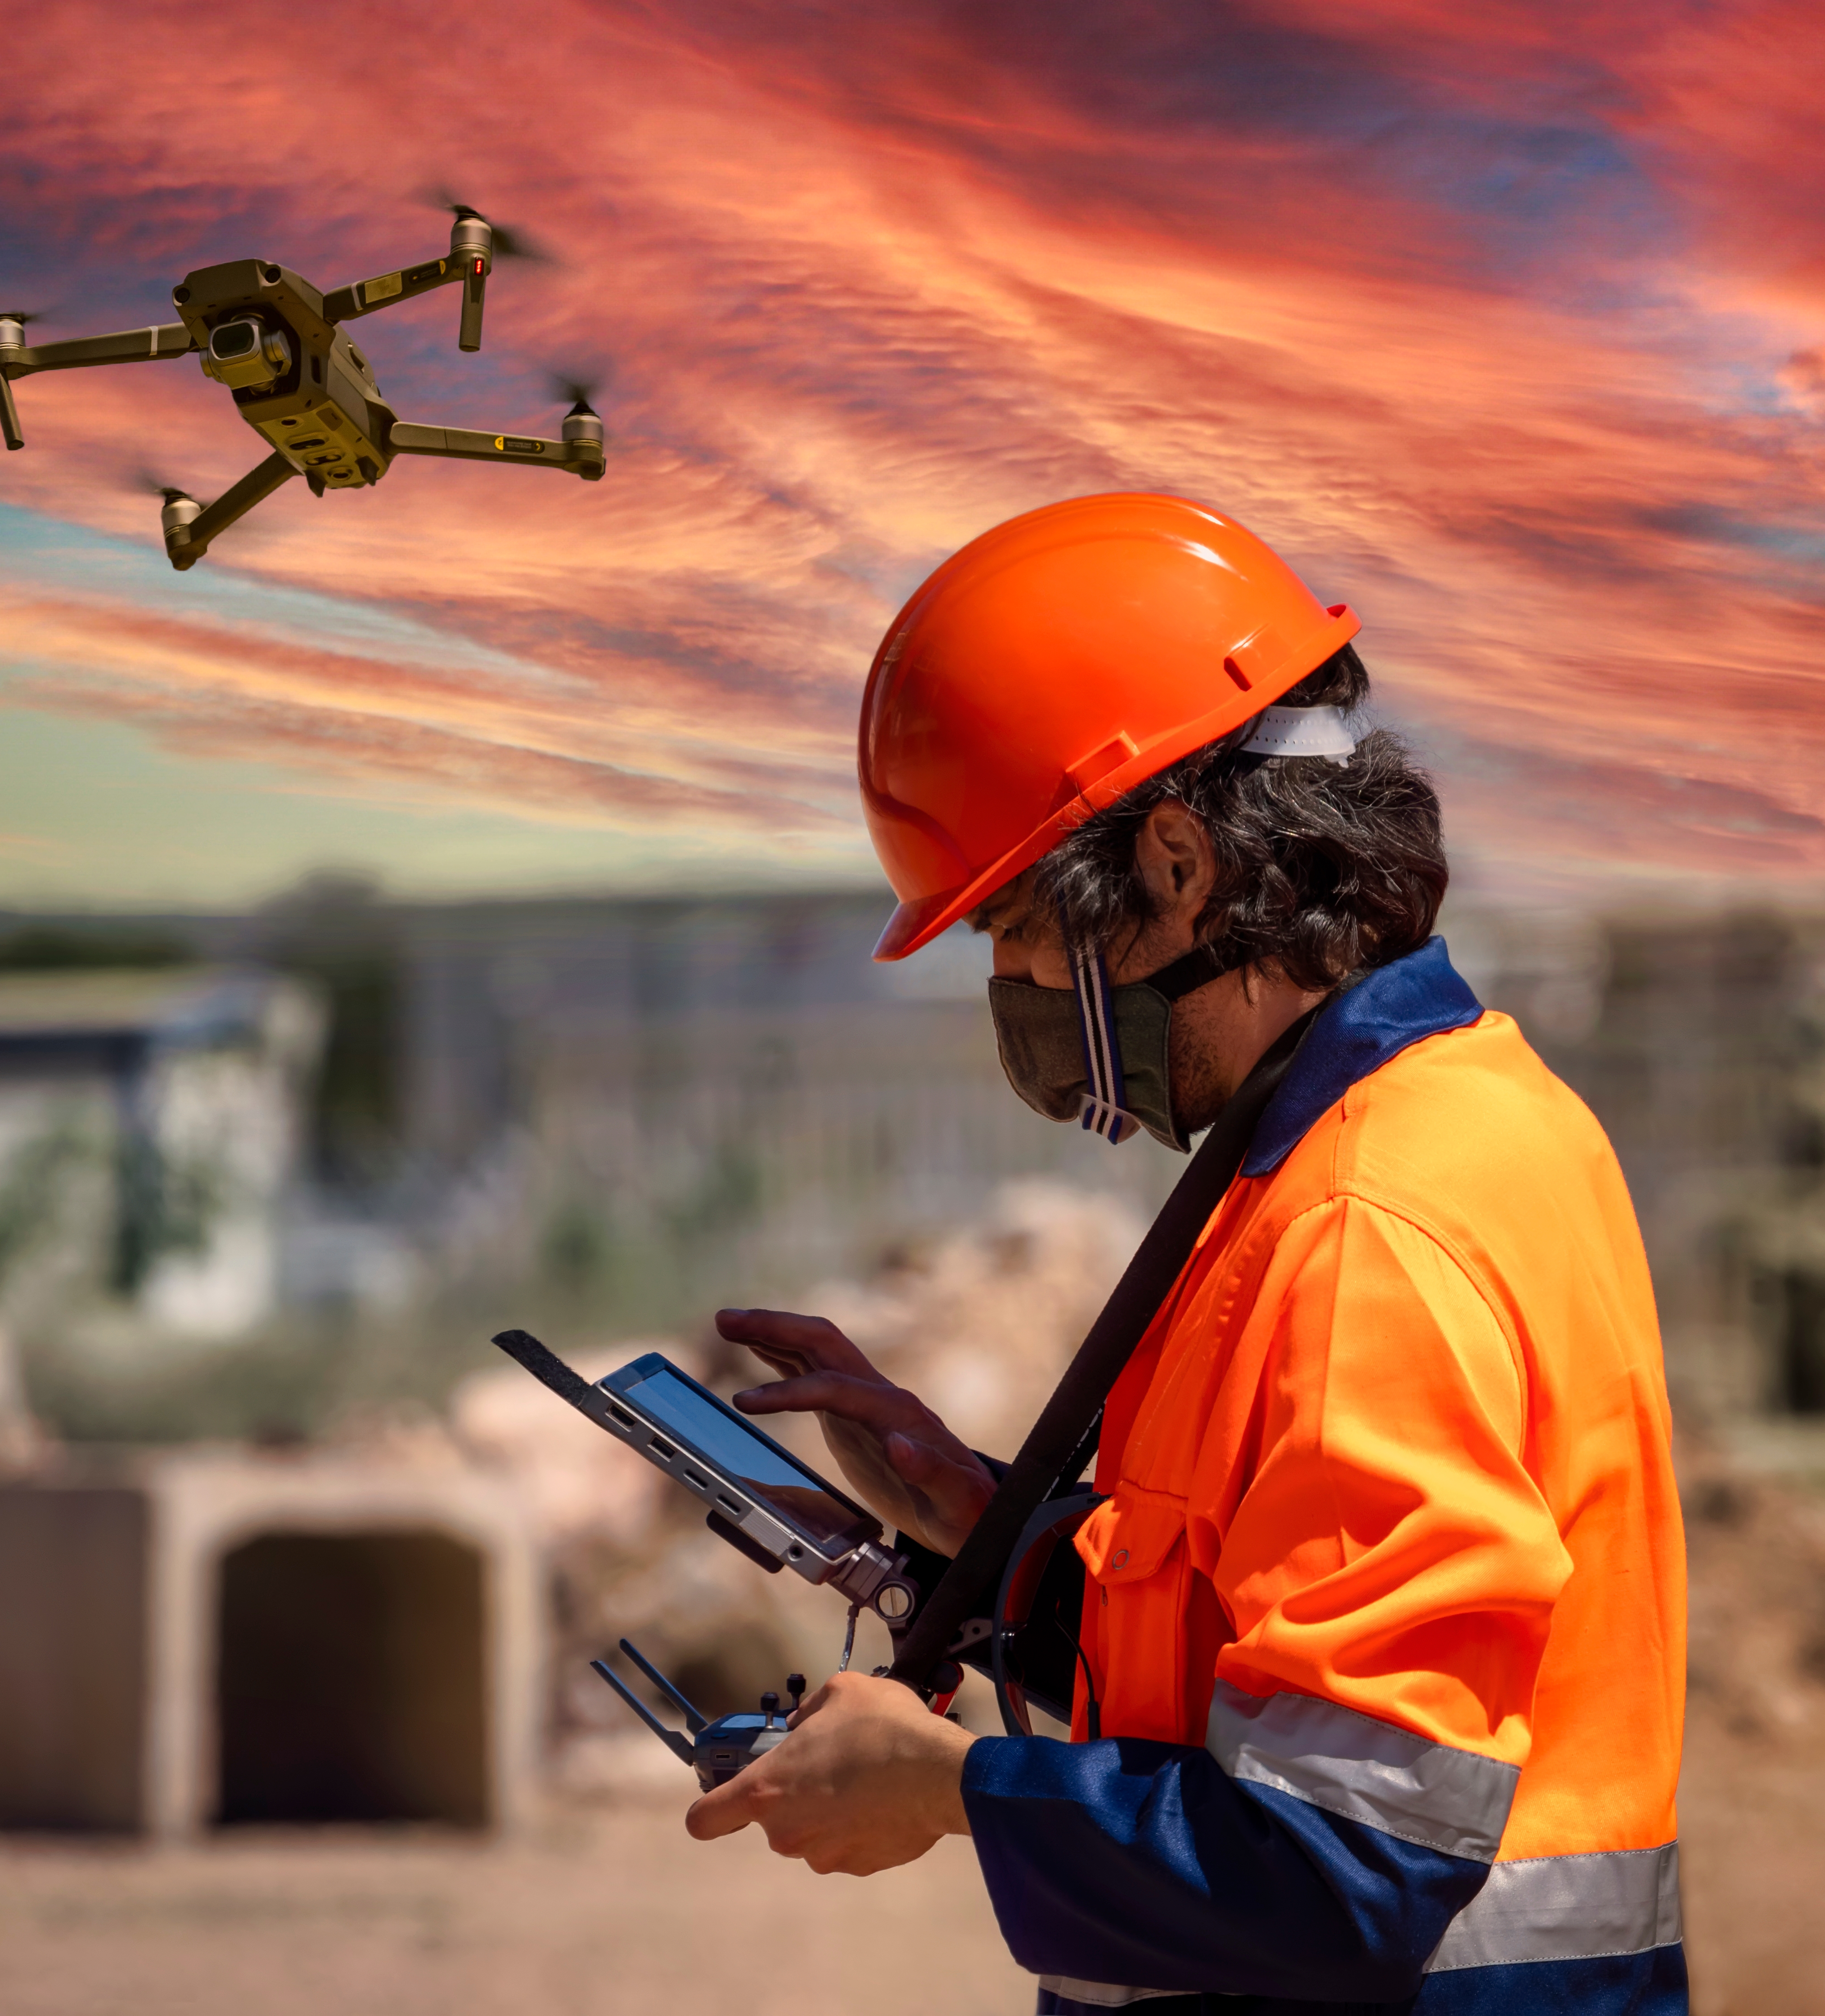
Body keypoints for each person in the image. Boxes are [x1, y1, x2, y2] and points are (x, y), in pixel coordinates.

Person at [689, 493, 1689, 2014]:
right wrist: (993, 1534)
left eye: (1014, 929)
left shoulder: (1362, 1224)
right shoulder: (1447, 1114)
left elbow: (1344, 1865)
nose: (1018, 989)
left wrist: (952, 1788)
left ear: (1172, 862)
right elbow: (1267, 1647)